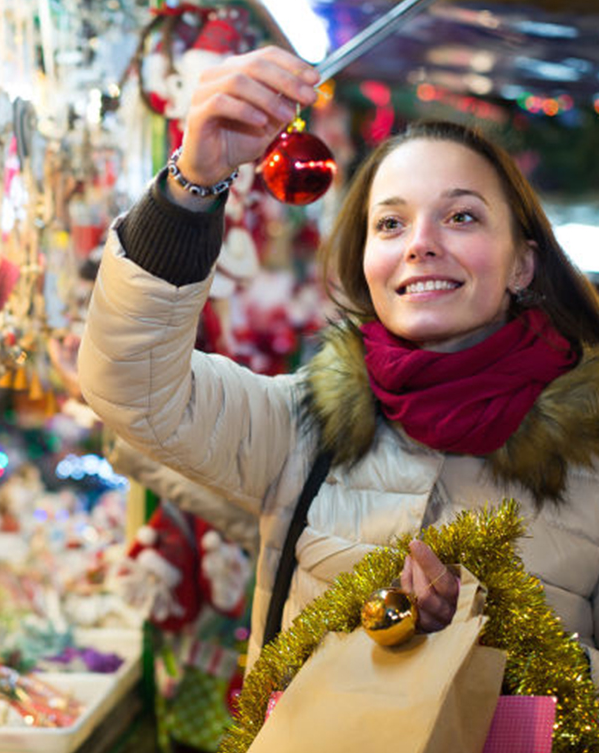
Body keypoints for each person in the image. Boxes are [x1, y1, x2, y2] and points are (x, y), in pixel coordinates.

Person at [77, 45, 599, 680]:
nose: (422, 244)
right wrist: (194, 181)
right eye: (391, 224)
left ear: (523, 263)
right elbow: (135, 387)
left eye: (461, 216)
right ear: (365, 264)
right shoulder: (305, 423)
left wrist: (492, 637)